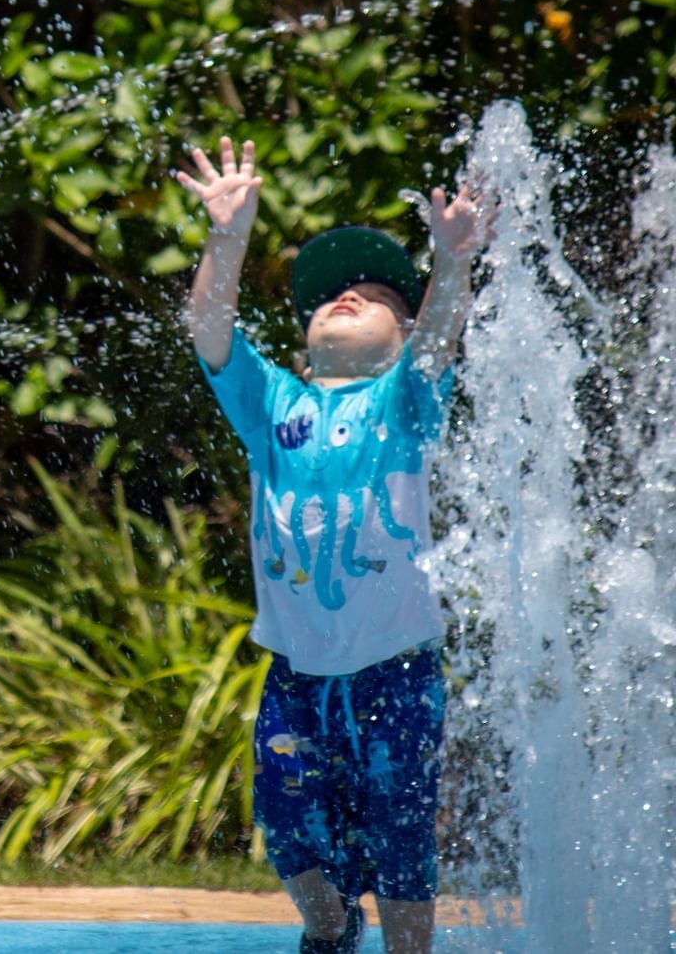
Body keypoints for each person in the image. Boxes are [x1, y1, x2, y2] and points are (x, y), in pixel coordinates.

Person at [178, 137, 492, 954]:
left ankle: (406, 948)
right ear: (303, 339)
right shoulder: (270, 405)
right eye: (328, 297)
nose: (344, 296)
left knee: (401, 839)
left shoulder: (408, 399)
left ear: (404, 330)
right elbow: (209, 330)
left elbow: (442, 338)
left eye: (373, 293)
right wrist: (228, 237)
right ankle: (328, 927)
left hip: (396, 668)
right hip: (297, 675)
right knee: (287, 832)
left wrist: (451, 266)